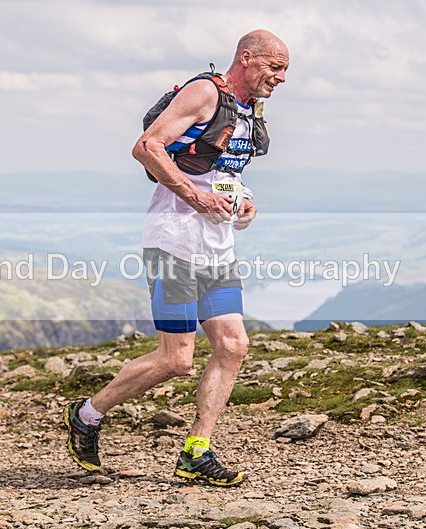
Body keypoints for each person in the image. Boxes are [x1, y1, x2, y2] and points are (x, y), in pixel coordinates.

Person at [64, 29, 289, 486]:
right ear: (246, 59)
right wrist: (192, 197)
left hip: (216, 246)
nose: (281, 78)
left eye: (285, 70)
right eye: (274, 67)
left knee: (233, 346)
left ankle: (195, 453)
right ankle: (86, 415)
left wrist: (242, 200)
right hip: (175, 241)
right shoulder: (205, 92)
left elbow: (222, 172)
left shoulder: (248, 113)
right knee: (176, 359)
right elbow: (147, 146)